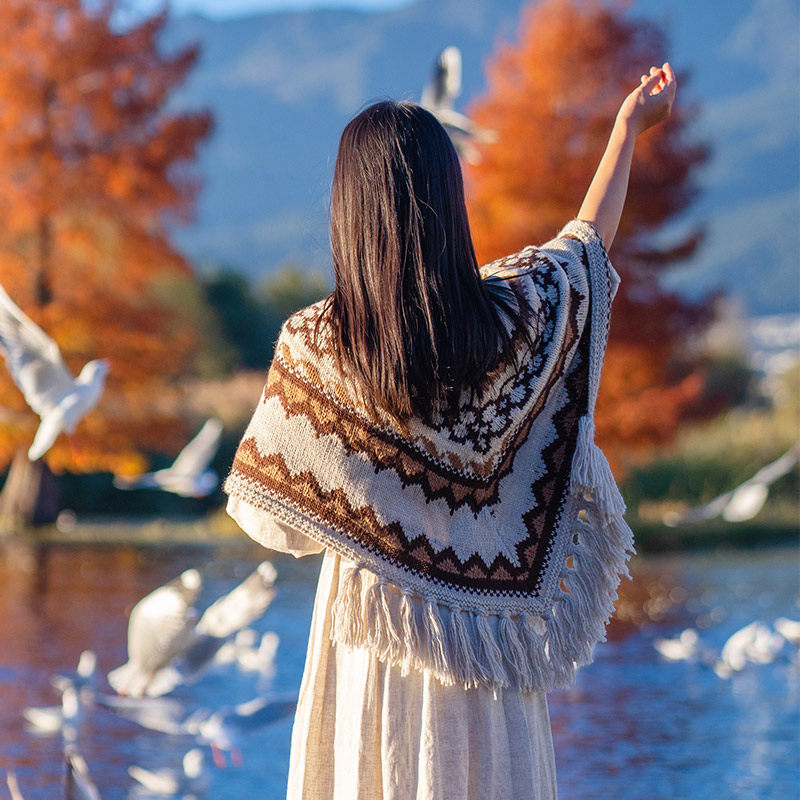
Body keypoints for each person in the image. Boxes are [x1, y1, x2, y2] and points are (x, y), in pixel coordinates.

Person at [224, 63, 677, 800]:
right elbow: (585, 249)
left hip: (370, 654)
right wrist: (627, 131)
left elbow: (270, 520)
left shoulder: (316, 346)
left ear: (348, 209)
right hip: (487, 657)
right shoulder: (513, 322)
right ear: (449, 199)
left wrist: (367, 519)